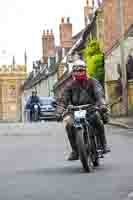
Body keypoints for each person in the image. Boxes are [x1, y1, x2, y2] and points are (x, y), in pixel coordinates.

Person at [63, 57, 110, 161]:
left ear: (85, 70)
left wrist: (102, 105)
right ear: (73, 72)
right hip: (75, 111)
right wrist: (60, 110)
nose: (78, 73)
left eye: (80, 70)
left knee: (98, 119)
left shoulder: (93, 82)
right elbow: (64, 100)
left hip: (91, 109)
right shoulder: (69, 85)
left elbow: (99, 94)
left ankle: (103, 144)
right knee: (68, 124)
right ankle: (75, 150)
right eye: (75, 70)